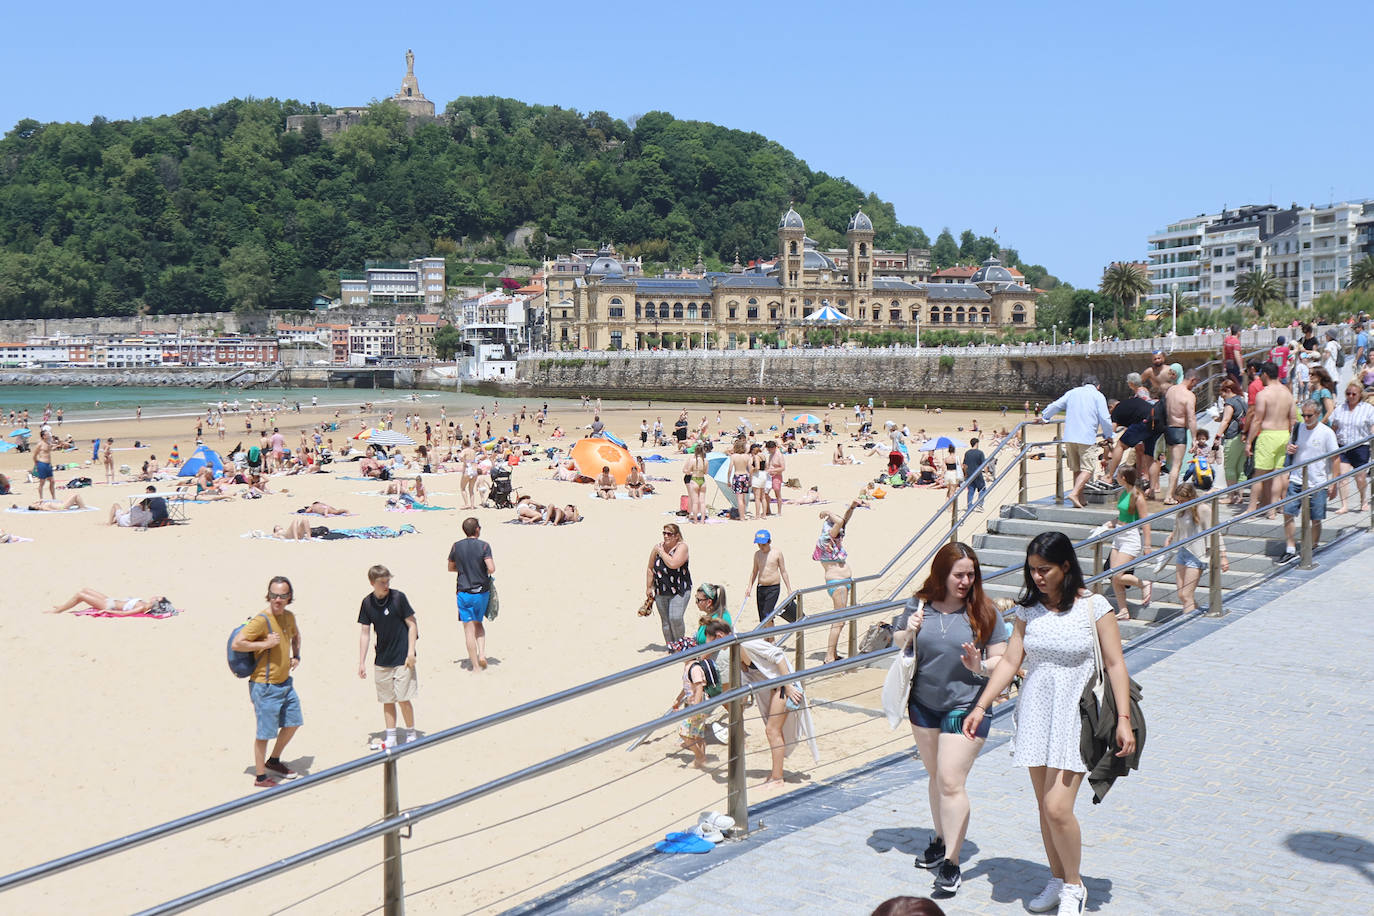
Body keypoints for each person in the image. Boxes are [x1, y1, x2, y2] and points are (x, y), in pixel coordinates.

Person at [963, 532, 1135, 916]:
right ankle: (1057, 877)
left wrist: (1123, 718)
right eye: (1033, 570)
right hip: (1037, 712)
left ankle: (1075, 886)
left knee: (1058, 807)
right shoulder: (1028, 611)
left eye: (1045, 570)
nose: (1037, 577)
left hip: (1076, 713)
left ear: (1066, 567)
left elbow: (1115, 664)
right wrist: (981, 705)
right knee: (1044, 806)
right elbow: (1009, 662)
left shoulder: (1095, 607)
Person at [894, 542, 1008, 896]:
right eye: (959, 574)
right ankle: (942, 838)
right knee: (936, 776)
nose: (965, 581)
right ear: (942, 574)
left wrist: (980, 665)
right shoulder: (919, 604)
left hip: (967, 705)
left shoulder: (985, 610)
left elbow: (1002, 660)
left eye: (970, 575)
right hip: (923, 704)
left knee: (950, 781)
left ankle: (952, 863)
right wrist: (908, 630)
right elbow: (898, 641)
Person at [230, 576, 304, 789]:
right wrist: (265, 642)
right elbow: (238, 643)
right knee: (265, 733)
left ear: (289, 597)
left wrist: (297, 656)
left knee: (293, 722)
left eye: (282, 595)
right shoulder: (261, 620)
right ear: (268, 595)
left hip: (285, 683)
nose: (277, 599)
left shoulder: (289, 617)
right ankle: (260, 777)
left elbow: (296, 636)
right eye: (273, 595)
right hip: (265, 685)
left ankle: (274, 761)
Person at [740, 629, 819, 788]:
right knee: (773, 731)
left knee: (772, 730)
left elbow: (778, 655)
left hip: (783, 686)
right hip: (774, 688)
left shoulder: (746, 643)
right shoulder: (734, 652)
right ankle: (776, 774)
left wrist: (788, 685)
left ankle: (777, 778)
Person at [357, 565, 418, 750]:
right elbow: (365, 633)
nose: (386, 585)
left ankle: (411, 733)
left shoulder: (398, 598)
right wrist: (361, 661)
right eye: (382, 582)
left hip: (402, 656)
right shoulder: (367, 603)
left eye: (387, 581)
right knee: (387, 699)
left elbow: (412, 624)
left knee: (403, 697)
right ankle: (391, 735)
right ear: (372, 583)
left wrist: (411, 652)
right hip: (382, 657)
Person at [1278, 399, 1340, 563]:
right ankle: (1290, 548)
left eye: (1309, 415)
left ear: (1318, 415)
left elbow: (1335, 458)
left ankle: (1313, 546)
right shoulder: (1298, 428)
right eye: (1303, 415)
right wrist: (1289, 449)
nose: (1305, 419)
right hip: (1297, 478)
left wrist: (1334, 483)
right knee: (1288, 512)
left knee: (1316, 517)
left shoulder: (1327, 433)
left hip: (1318, 481)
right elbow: (1291, 448)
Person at [1039, 375, 1113, 508]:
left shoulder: (1072, 392)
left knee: (1076, 468)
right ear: (1098, 386)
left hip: (1070, 436)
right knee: (1088, 468)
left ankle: (1080, 497)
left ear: (1083, 384)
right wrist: (1108, 435)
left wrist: (1045, 417)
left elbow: (1056, 405)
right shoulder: (1098, 395)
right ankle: (1074, 493)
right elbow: (1105, 417)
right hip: (1086, 436)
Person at [1162, 481, 1228, 614]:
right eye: (1178, 501)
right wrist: (1171, 536)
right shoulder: (1182, 509)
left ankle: (1186, 623)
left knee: (1186, 595)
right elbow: (1178, 525)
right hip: (1183, 550)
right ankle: (1194, 613)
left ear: (1190, 498)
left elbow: (1216, 532)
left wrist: (1223, 556)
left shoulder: (1203, 509)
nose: (1180, 503)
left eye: (1182, 500)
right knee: (1182, 595)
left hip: (1197, 554)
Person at [675, 618, 732, 768]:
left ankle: (700, 757)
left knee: (684, 733)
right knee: (697, 733)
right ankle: (702, 759)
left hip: (698, 705)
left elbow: (699, 687)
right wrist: (678, 699)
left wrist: (696, 707)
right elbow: (687, 686)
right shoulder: (690, 668)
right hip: (696, 703)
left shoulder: (694, 668)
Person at [1245, 361, 1296, 518]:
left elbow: (1257, 420)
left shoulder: (1263, 394)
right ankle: (1272, 510)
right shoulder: (1288, 393)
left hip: (1268, 434)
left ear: (1265, 375)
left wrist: (1248, 441)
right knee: (1277, 474)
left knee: (1258, 475)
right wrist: (1291, 439)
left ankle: (1252, 509)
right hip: (1283, 434)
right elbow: (1293, 419)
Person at [447, 517, 494, 671]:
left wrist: (463, 569)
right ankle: (482, 654)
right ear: (477, 529)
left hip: (463, 592)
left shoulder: (456, 546)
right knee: (478, 623)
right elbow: (491, 568)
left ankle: (475, 666)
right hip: (481, 591)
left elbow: (450, 567)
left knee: (468, 629)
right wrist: (482, 571)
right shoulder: (484, 546)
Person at [818, 500, 862, 664]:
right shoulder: (826, 540)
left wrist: (851, 507)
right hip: (837, 583)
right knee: (839, 620)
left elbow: (844, 521)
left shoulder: (835, 537)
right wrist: (828, 512)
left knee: (841, 620)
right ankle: (829, 655)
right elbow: (840, 522)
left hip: (844, 581)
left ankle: (833, 653)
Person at [1106, 468, 1151, 621]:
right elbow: (1122, 515)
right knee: (1114, 576)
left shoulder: (1137, 496)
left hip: (1131, 536)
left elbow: (1145, 522)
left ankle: (1143, 584)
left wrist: (1148, 545)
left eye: (1117, 475)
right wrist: (1111, 523)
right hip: (1119, 534)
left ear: (1123, 477)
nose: (1115, 478)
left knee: (1118, 575)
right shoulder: (1123, 492)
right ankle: (1123, 610)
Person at [1329, 381, 1374, 514]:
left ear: (1360, 395)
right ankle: (1344, 505)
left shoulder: (1368, 409)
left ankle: (1363, 499)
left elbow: (1372, 426)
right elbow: (1334, 426)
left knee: (1360, 478)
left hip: (1361, 447)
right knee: (1343, 477)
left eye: (1354, 394)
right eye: (1348, 393)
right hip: (1343, 446)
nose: (1351, 396)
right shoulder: (1340, 409)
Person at [645, 523, 692, 647]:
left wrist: (661, 552)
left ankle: (680, 644)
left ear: (676, 536)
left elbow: (673, 563)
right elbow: (650, 568)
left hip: (679, 589)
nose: (666, 536)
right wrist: (649, 587)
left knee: (675, 618)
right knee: (666, 622)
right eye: (664, 533)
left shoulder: (682, 547)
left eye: (669, 534)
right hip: (661, 590)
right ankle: (671, 646)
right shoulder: (657, 548)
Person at [744, 528, 793, 626]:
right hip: (761, 587)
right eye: (759, 545)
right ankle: (769, 639)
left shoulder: (777, 553)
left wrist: (789, 589)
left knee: (768, 614)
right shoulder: (757, 555)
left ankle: (772, 639)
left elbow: (783, 571)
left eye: (763, 545)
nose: (761, 547)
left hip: (773, 588)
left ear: (769, 542)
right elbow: (754, 572)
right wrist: (749, 587)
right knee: (762, 617)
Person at [1216, 379, 1248, 501]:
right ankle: (1239, 496)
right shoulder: (1242, 400)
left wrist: (1217, 436)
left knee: (1229, 467)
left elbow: (1226, 420)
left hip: (1232, 437)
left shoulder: (1230, 402)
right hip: (1243, 437)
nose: (1222, 398)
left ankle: (1231, 496)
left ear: (1228, 390)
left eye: (1222, 394)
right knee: (1241, 469)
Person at [48, 590, 167, 615]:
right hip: (110, 599)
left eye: (158, 597)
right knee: (85, 589)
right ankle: (63, 606)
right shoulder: (143, 603)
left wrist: (106, 611)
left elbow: (124, 614)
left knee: (80, 595)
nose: (155, 595)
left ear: (155, 602)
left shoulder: (142, 607)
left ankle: (58, 611)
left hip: (109, 605)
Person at [684, 443, 709, 524]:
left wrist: (692, 471)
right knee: (702, 502)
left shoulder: (692, 460)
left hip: (694, 480)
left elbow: (687, 471)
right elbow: (705, 472)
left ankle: (695, 520)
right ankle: (702, 520)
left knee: (695, 502)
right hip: (702, 480)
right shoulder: (705, 461)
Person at [728, 438, 752, 519]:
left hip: (737, 476)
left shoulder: (733, 456)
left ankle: (741, 517)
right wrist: (750, 480)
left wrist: (728, 480)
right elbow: (751, 469)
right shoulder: (747, 456)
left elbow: (730, 469)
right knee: (744, 498)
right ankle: (743, 514)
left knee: (739, 499)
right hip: (745, 476)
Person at [962, 439, 986, 511]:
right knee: (982, 488)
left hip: (969, 473)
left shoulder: (967, 453)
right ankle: (980, 503)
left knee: (971, 490)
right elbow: (984, 464)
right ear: (977, 443)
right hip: (978, 473)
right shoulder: (980, 453)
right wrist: (987, 474)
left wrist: (965, 474)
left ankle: (969, 506)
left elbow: (964, 465)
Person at [32, 430, 56, 500]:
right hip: (42, 463)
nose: (49, 435)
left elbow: (50, 449)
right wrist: (36, 464)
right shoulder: (40, 444)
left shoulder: (48, 443)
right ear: (43, 436)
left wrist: (57, 445)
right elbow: (34, 455)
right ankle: (41, 498)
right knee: (42, 482)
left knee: (52, 481)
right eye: (47, 434)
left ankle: (53, 498)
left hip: (48, 464)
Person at [766, 439, 786, 516]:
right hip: (769, 476)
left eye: (769, 449)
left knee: (777, 494)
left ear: (773, 448)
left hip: (777, 476)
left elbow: (783, 468)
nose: (768, 451)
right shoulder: (771, 454)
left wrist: (773, 470)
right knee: (765, 493)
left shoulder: (779, 455)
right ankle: (768, 510)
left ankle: (779, 512)